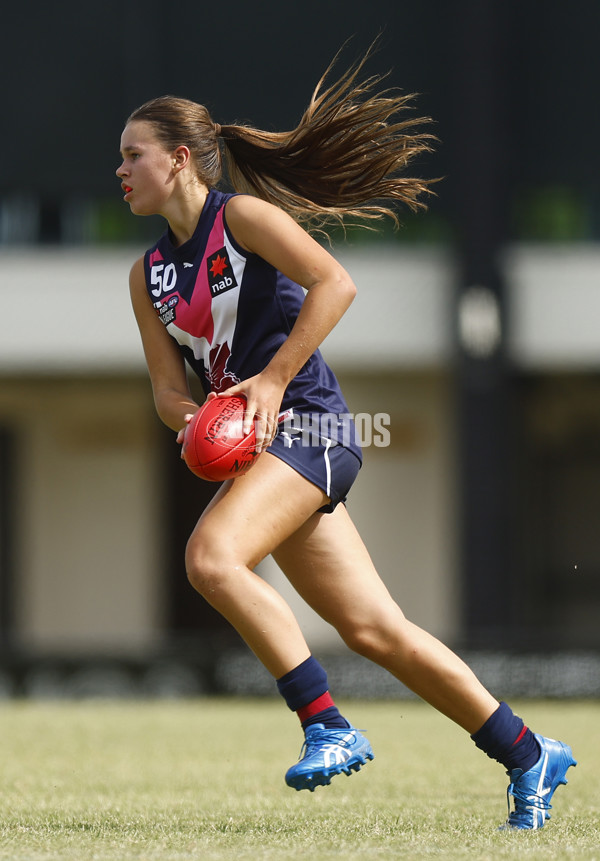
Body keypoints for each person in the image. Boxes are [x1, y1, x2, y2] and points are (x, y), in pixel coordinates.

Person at [116, 45, 575, 830]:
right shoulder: (148, 273)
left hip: (314, 425)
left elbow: (337, 282)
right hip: (263, 450)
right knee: (376, 629)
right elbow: (167, 389)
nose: (119, 170)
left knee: (210, 557)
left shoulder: (245, 220)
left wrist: (269, 379)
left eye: (133, 155)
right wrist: (192, 422)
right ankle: (530, 752)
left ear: (181, 158)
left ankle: (325, 721)